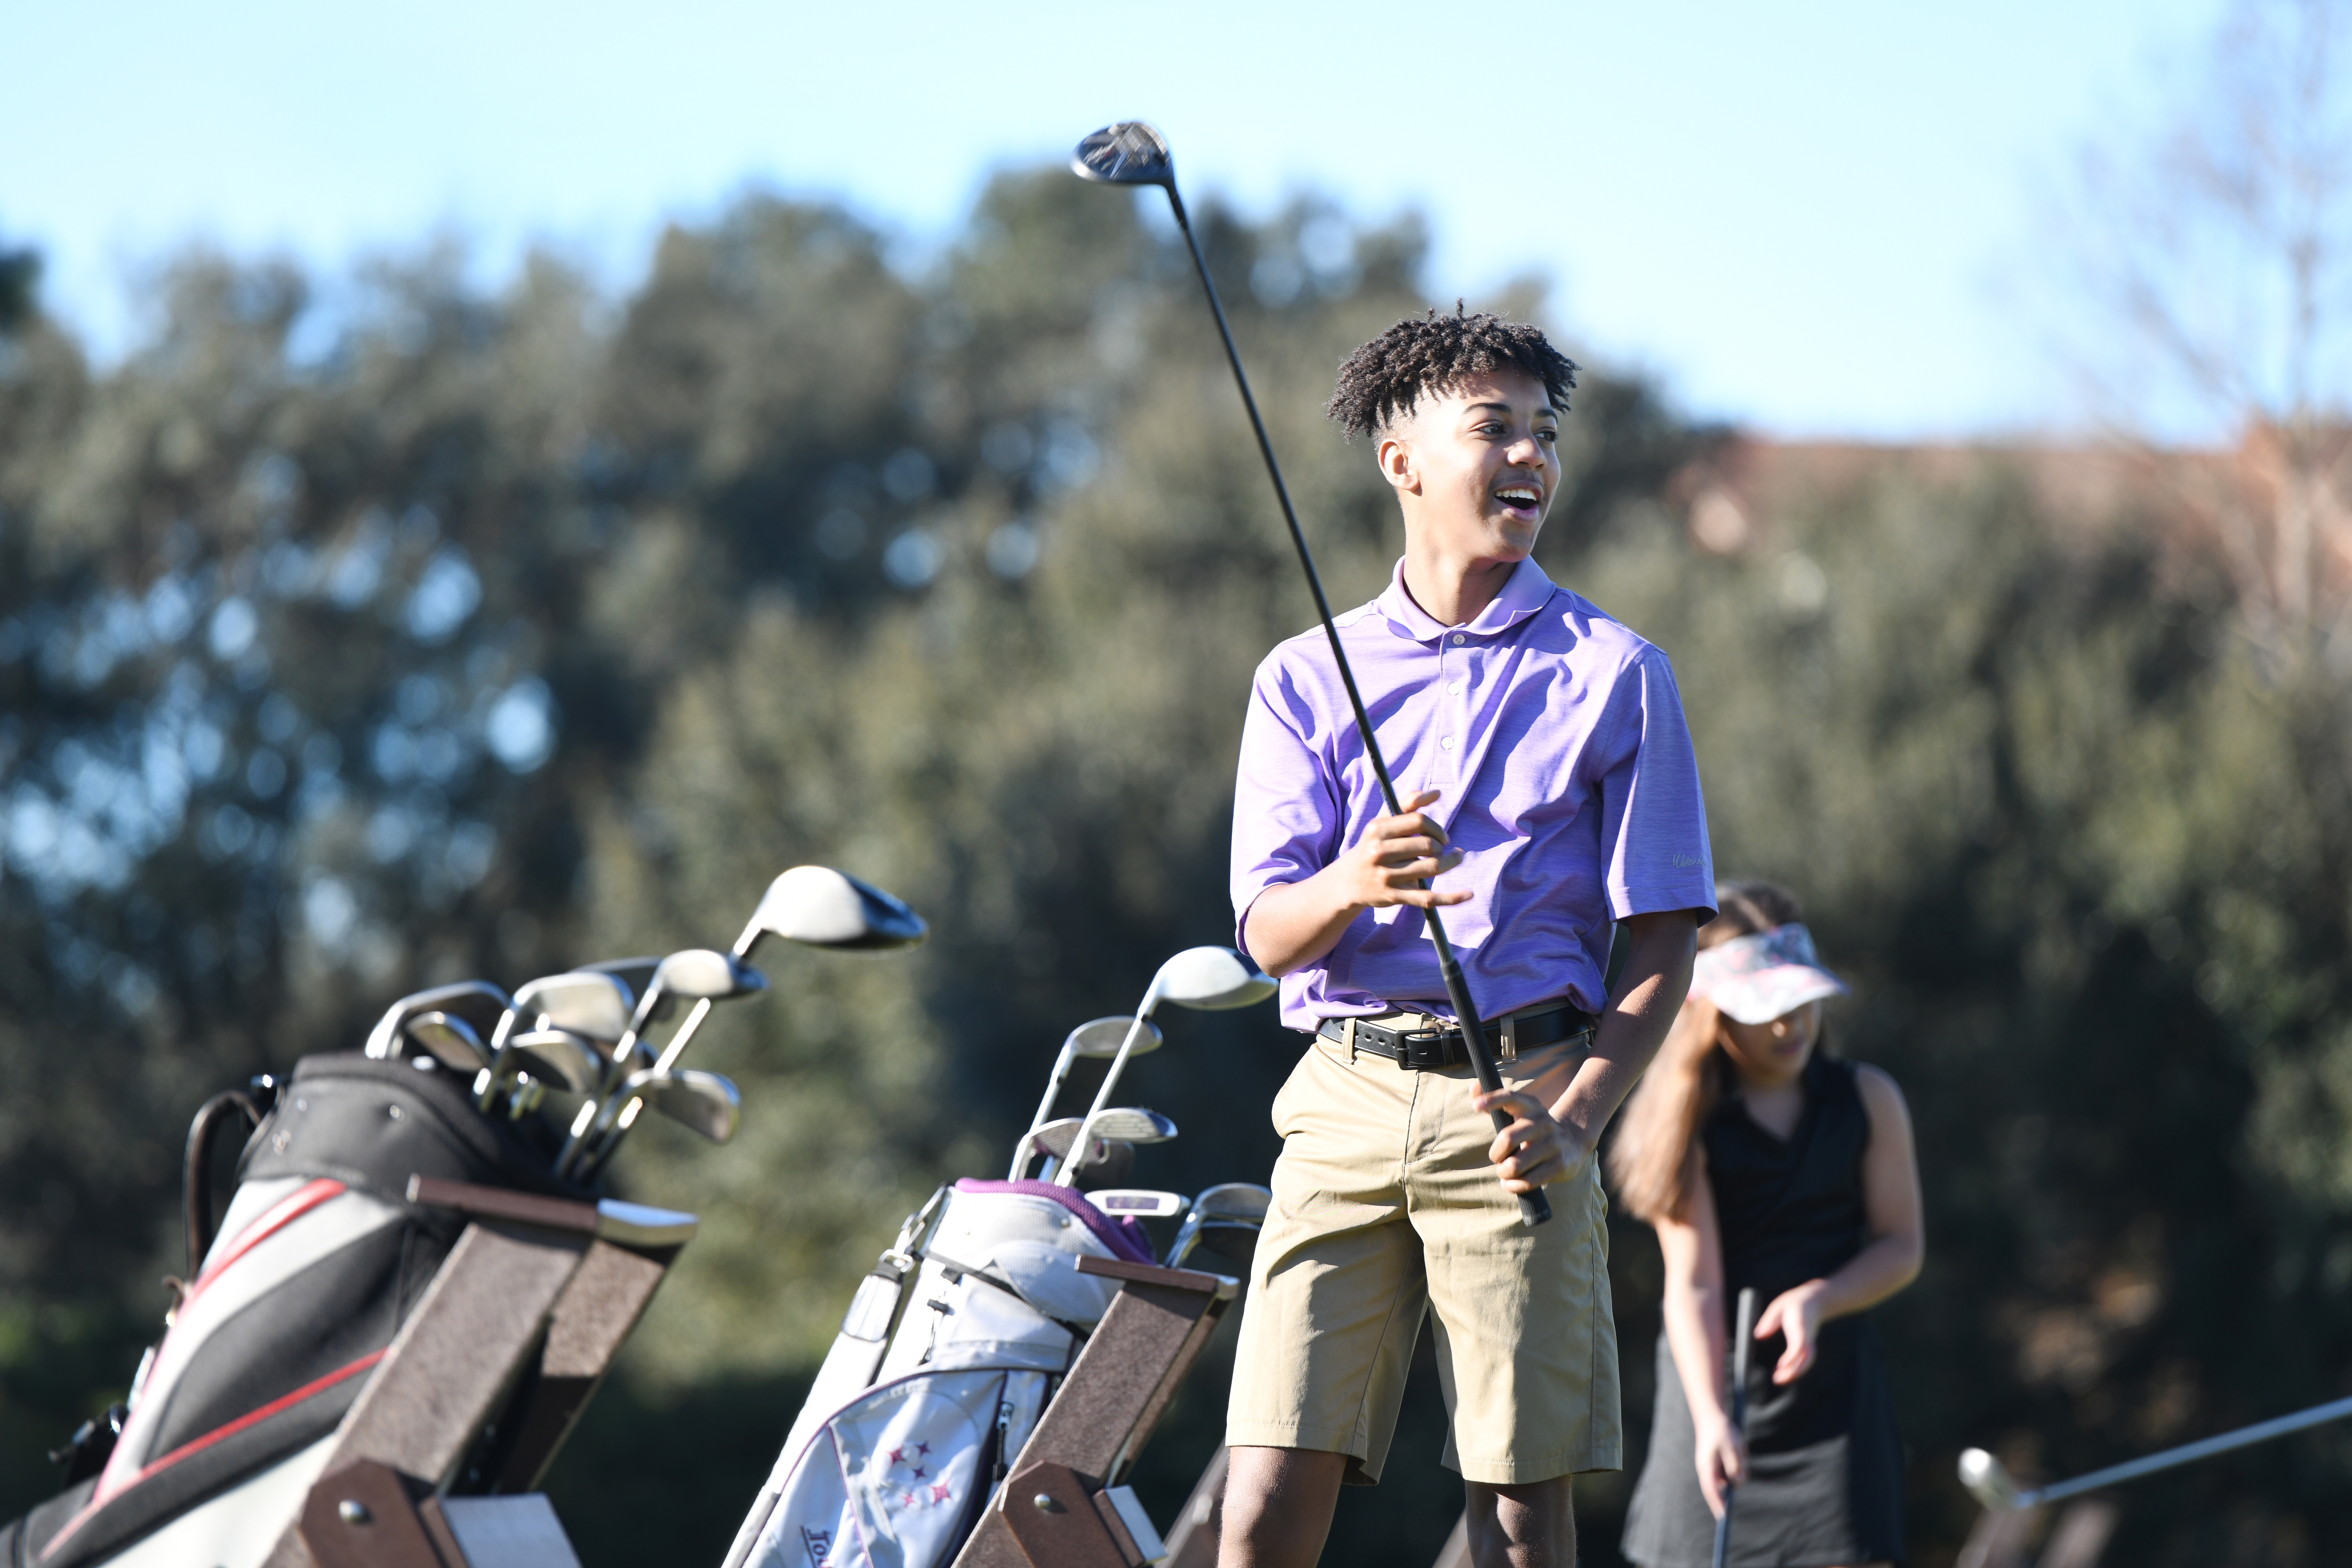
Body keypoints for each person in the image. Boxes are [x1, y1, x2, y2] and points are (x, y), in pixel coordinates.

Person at [1221, 307, 1717, 1568]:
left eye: (1543, 435)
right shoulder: (1302, 675)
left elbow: (1664, 931)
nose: (1531, 458)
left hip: (1525, 1103)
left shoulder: (1618, 671)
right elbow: (1270, 933)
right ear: (1404, 462)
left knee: (1516, 1502)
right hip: (1339, 1095)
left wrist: (1585, 1109)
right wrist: (1352, 876)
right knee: (1269, 1475)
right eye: (1494, 427)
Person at [1611, 881, 1924, 1568]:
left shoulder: (1870, 1099)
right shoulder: (1687, 1128)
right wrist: (1712, 1418)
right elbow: (1694, 1288)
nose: (1790, 1025)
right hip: (1715, 1396)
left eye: (1799, 1001)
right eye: (1766, 1008)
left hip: (1835, 1404)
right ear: (1709, 1012)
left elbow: (1902, 1246)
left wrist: (1821, 1298)